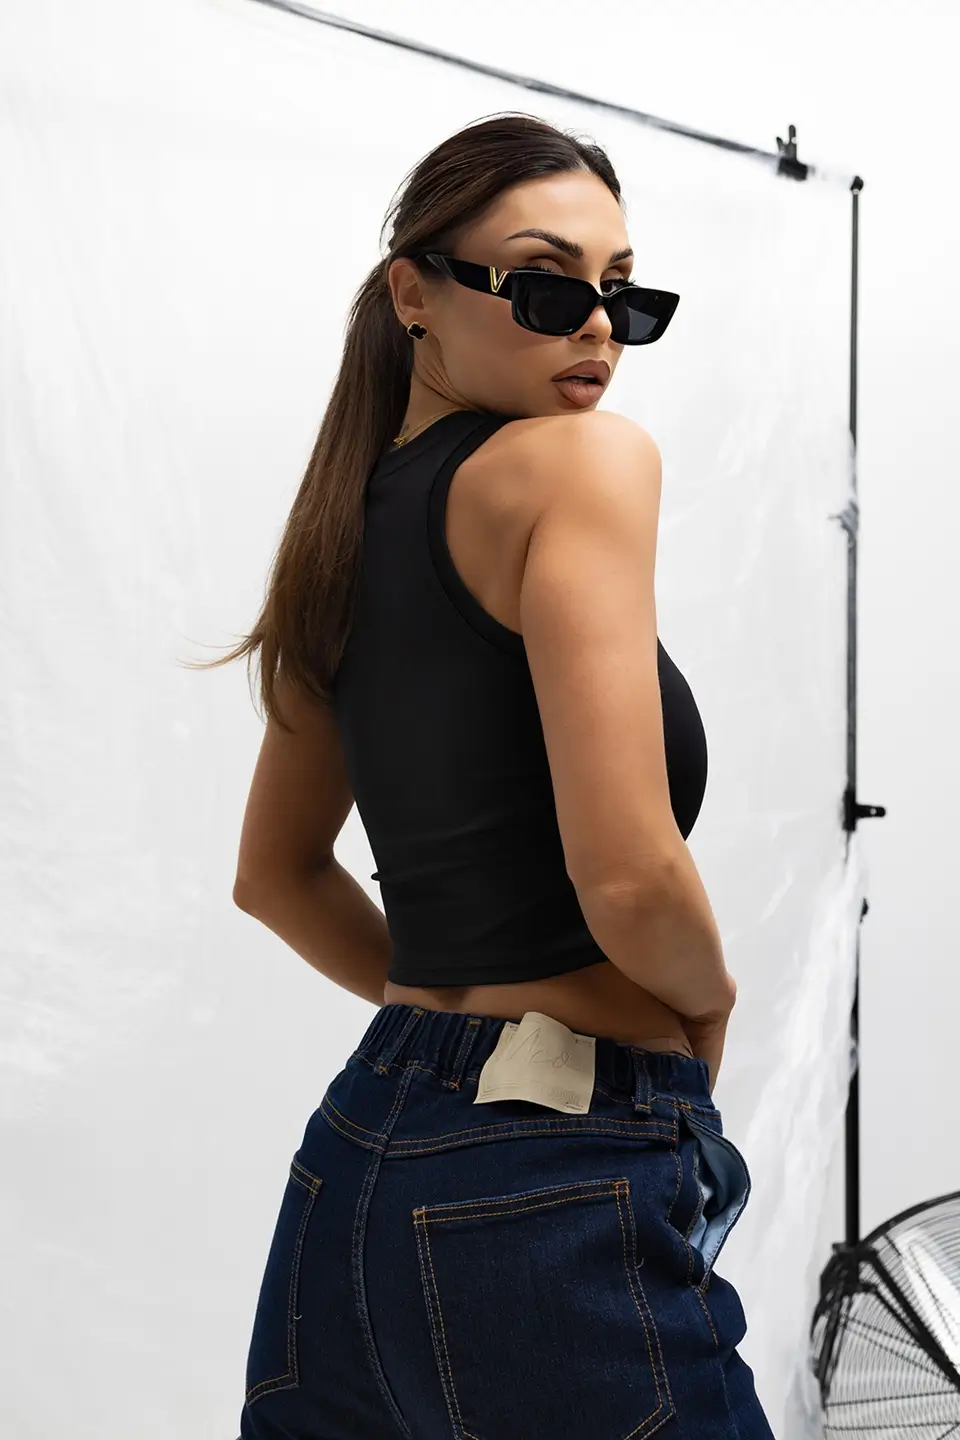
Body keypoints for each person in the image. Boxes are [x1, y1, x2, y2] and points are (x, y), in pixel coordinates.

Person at [209, 112, 774, 1439]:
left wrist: (453, 1022)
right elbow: (627, 874)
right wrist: (701, 1011)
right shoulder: (581, 463)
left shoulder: (339, 526)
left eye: (624, 293)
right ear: (414, 291)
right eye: (546, 284)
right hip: (551, 1175)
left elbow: (274, 880)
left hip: (354, 1169)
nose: (598, 327)